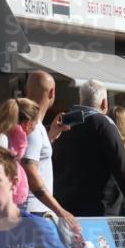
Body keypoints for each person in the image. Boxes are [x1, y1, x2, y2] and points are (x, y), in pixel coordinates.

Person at [53, 80, 125, 223]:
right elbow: (122, 167)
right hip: (98, 211)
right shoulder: (103, 124)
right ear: (104, 103)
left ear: (81, 99)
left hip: (65, 209)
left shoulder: (64, 122)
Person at [21, 71, 80, 235]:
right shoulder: (33, 127)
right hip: (34, 212)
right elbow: (30, 171)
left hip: (34, 210)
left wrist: (52, 134)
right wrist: (59, 210)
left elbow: (34, 155)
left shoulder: (34, 126)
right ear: (52, 93)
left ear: (26, 90)